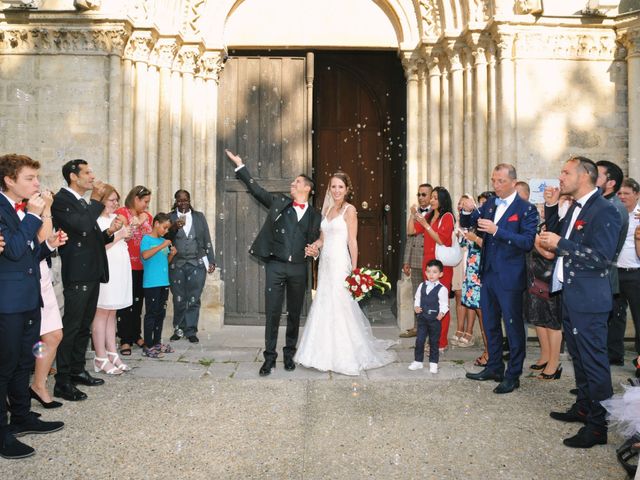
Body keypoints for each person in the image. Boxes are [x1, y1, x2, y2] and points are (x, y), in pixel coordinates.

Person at [540, 155, 621, 448]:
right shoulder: (576, 206)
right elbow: (556, 237)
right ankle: (584, 407)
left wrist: (560, 244)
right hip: (571, 296)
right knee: (580, 360)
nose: (560, 177)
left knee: (595, 363)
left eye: (565, 172)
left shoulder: (605, 211)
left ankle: (598, 428)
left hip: (590, 301)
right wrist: (551, 208)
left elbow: (601, 258)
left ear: (584, 176)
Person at [225, 149, 322, 376]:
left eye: (296, 181)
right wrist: (240, 165)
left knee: (295, 313)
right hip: (275, 266)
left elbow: (318, 241)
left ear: (306, 188)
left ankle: (289, 355)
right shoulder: (279, 203)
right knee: (273, 313)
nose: (292, 183)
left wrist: (314, 251)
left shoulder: (316, 215)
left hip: (299, 268)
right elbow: (256, 190)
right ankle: (269, 358)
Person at [293, 172, 396, 375]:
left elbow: (352, 241)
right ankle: (320, 352)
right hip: (326, 264)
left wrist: (355, 272)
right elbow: (323, 238)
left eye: (340, 187)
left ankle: (344, 353)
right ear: (329, 189)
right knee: (324, 301)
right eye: (333, 187)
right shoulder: (328, 209)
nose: (337, 190)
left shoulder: (350, 210)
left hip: (341, 264)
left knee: (341, 304)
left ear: (347, 189)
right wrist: (314, 247)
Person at [0, 154, 65, 459]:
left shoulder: (20, 209)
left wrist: (48, 246)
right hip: (7, 303)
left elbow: (27, 252)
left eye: (37, 178)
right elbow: (12, 251)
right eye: (29, 178)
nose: (37, 184)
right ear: (8, 180)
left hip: (28, 299)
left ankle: (22, 418)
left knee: (24, 363)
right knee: (5, 366)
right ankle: (2, 434)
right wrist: (32, 217)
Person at [461, 164, 538, 394]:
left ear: (513, 182)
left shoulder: (526, 209)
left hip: (511, 277)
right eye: (493, 180)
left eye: (500, 181)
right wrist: (467, 211)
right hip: (489, 274)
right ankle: (494, 366)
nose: (495, 185)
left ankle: (513, 375)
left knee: (513, 328)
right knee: (491, 324)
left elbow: (526, 242)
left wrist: (497, 231)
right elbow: (471, 223)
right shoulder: (491, 203)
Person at [52, 159, 121, 402]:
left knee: (83, 327)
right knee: (71, 328)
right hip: (77, 274)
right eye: (87, 172)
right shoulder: (62, 201)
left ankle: (77, 370)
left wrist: (109, 231)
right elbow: (81, 226)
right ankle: (62, 381)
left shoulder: (82, 203)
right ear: (73, 176)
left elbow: (91, 239)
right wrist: (96, 199)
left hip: (91, 273)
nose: (92, 176)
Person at [30, 190, 66, 408]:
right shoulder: (21, 210)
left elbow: (44, 243)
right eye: (31, 179)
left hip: (43, 275)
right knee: (27, 340)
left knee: (53, 335)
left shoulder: (36, 208)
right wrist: (46, 208)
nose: (37, 185)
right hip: (25, 279)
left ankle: (38, 384)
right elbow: (41, 239)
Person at [92, 185, 133, 374]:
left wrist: (125, 234)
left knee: (112, 313)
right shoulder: (97, 221)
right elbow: (99, 248)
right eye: (111, 200)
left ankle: (112, 352)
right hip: (105, 272)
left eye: (117, 199)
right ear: (101, 201)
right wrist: (118, 236)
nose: (116, 203)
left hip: (118, 271)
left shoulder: (115, 219)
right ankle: (100, 356)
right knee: (101, 313)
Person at [167, 190, 216, 344]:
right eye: (180, 201)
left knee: (194, 298)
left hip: (196, 263)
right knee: (179, 298)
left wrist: (211, 260)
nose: (183, 203)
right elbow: (164, 237)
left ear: (189, 200)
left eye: (185, 200)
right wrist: (174, 227)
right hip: (177, 264)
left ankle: (191, 330)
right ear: (175, 201)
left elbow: (206, 238)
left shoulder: (199, 217)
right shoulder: (169, 217)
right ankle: (179, 329)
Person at [412, 186, 455, 350]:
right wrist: (413, 215)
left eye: (435, 198)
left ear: (443, 200)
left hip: (441, 265)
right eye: (432, 197)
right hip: (428, 264)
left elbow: (442, 240)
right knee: (429, 303)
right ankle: (433, 340)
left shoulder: (447, 217)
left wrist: (426, 225)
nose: (431, 200)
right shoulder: (429, 215)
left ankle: (440, 342)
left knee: (441, 303)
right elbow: (412, 230)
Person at [596, 160, 629, 367]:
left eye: (597, 175)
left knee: (601, 330)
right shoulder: (601, 203)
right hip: (598, 274)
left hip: (603, 275)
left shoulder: (613, 208)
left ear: (610, 182)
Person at [115, 185, 153, 356]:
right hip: (126, 265)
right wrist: (135, 222)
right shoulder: (122, 213)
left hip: (143, 265)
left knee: (138, 303)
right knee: (125, 303)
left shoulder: (148, 216)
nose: (146, 205)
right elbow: (124, 234)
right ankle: (124, 339)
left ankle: (136, 335)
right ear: (136, 199)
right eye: (145, 201)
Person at [140, 213, 177, 358]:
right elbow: (145, 255)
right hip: (151, 283)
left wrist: (172, 254)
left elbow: (165, 262)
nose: (166, 231)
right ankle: (148, 345)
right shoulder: (147, 239)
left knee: (160, 313)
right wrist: (162, 245)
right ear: (156, 223)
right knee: (151, 313)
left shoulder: (163, 240)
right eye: (164, 227)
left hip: (164, 282)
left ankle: (157, 342)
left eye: (167, 229)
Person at [400, 183, 432, 339]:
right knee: (417, 295)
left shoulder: (435, 213)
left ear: (431, 196)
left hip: (429, 260)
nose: (420, 198)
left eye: (424, 194)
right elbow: (410, 237)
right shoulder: (415, 212)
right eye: (419, 194)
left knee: (430, 296)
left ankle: (428, 328)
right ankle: (417, 326)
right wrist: (406, 261)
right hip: (415, 260)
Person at [615, 178, 640, 378]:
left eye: (626, 193)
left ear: (637, 194)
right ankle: (614, 354)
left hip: (636, 273)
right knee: (615, 315)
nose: (622, 197)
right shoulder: (615, 212)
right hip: (616, 271)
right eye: (620, 194)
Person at [408, 259, 449, 373]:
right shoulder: (422, 285)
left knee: (434, 341)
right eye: (429, 271)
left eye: (435, 272)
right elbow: (418, 298)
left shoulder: (442, 289)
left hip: (434, 320)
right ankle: (418, 361)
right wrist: (416, 307)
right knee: (420, 340)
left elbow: (444, 304)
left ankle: (433, 363)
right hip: (422, 318)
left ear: (440, 274)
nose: (431, 274)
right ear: (425, 272)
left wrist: (441, 314)